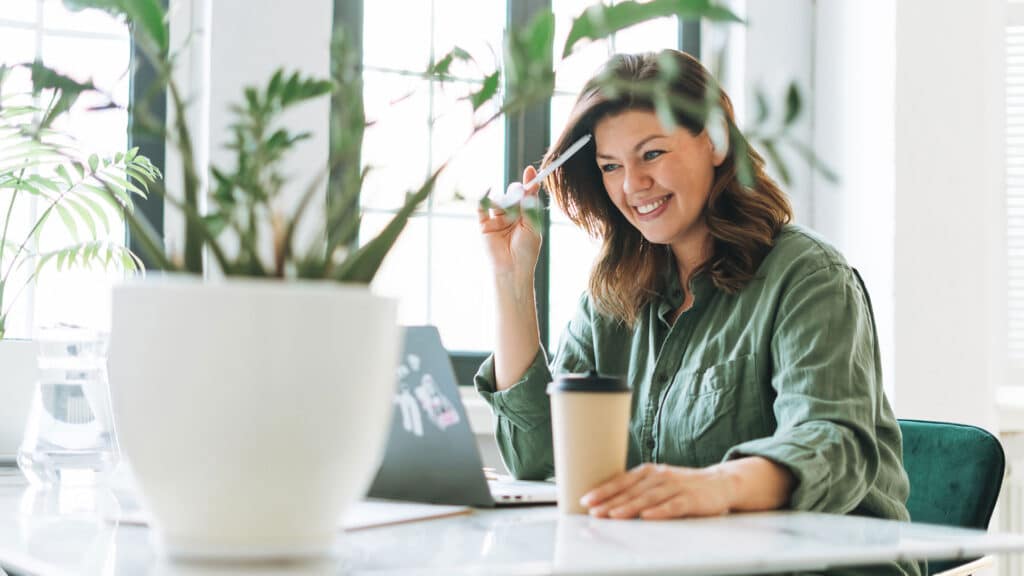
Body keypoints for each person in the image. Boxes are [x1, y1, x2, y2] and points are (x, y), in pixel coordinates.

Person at [475, 50, 917, 576]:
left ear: (713, 139)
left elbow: (832, 446)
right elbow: (538, 456)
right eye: (610, 166)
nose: (632, 185)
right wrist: (511, 278)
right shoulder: (615, 293)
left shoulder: (809, 276)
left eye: (652, 154)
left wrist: (713, 487)